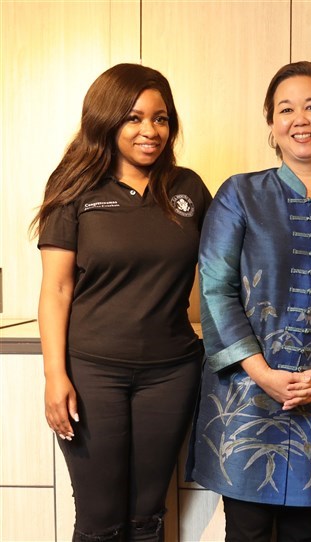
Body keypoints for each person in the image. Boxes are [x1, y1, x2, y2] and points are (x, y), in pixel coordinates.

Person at [187, 61, 311, 541]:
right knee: (246, 529)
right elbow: (216, 288)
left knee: (305, 533)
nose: (300, 119)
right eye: (286, 109)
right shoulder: (239, 194)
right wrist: (262, 373)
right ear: (272, 126)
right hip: (244, 395)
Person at [33, 63, 211, 541]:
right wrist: (55, 374)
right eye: (134, 118)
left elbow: (225, 274)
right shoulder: (75, 189)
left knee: (146, 517)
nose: (150, 131)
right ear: (107, 120)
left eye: (161, 118)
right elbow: (56, 288)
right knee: (100, 522)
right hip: (92, 372)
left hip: (171, 372)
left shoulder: (189, 189)